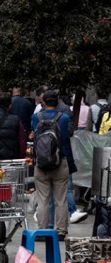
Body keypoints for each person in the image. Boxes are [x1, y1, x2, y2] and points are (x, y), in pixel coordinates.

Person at [31, 90, 76, 241]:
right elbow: (65, 136)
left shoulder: (36, 117)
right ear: (57, 102)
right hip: (59, 161)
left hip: (41, 163)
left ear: (43, 102)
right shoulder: (63, 118)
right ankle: (61, 231)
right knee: (60, 199)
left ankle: (43, 230)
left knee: (43, 199)